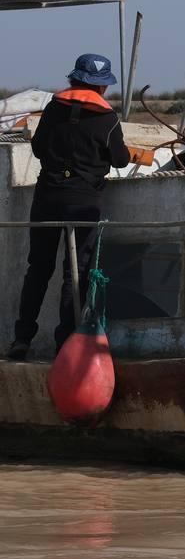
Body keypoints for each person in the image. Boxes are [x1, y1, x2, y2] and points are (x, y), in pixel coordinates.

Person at [8, 54, 130, 361]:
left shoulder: (52, 109)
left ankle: (21, 339)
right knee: (75, 273)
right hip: (83, 202)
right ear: (102, 88)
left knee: (38, 269)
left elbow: (37, 148)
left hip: (47, 196)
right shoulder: (107, 119)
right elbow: (121, 160)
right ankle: (65, 346)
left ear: (73, 80)